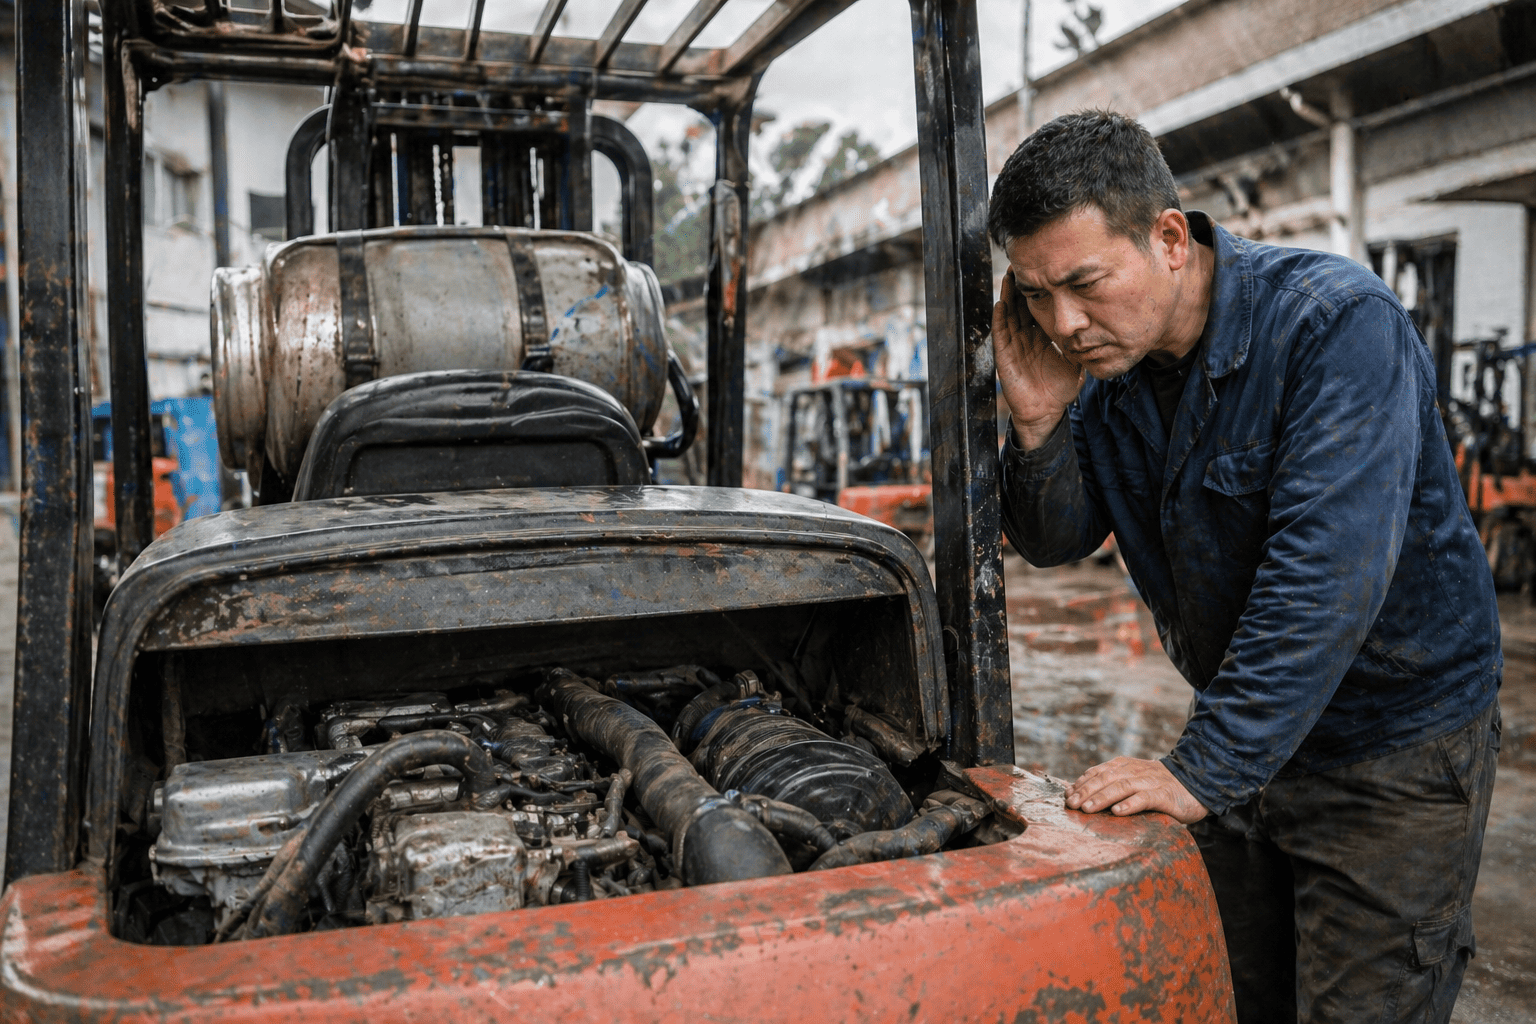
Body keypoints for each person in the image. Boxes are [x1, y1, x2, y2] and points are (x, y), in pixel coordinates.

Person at [990, 110, 1501, 1024]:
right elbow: (1057, 540)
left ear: (1170, 238)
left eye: (1084, 283)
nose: (1062, 324)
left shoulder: (1335, 326)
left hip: (1393, 754)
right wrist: (1036, 426)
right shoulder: (1112, 369)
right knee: (1228, 997)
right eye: (1034, 294)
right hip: (1255, 744)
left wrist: (1201, 770)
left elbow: (1327, 576)